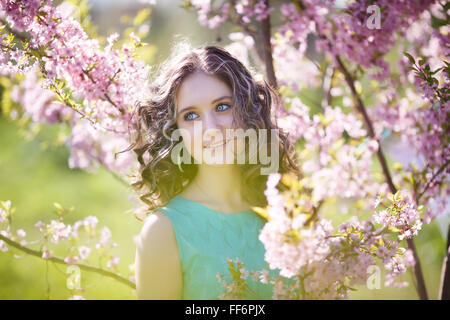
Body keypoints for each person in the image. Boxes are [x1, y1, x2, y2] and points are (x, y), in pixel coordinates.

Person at [128, 40, 301, 299]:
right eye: (191, 116)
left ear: (247, 111)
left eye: (222, 107)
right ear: (176, 132)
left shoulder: (287, 214)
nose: (210, 128)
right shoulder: (163, 231)